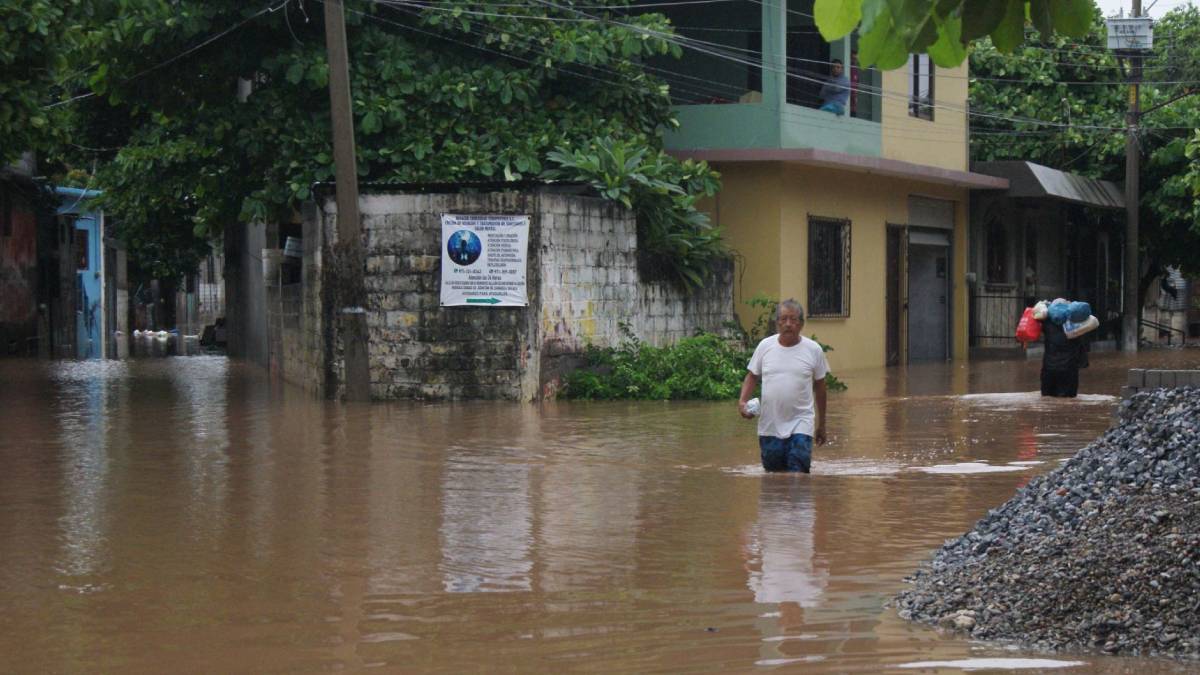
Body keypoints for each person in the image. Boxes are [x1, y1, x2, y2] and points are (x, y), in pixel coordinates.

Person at [738, 300, 829, 473]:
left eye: (793, 320)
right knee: (773, 477)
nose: (788, 324)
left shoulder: (813, 350)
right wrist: (742, 402)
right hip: (770, 425)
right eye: (784, 319)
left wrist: (822, 424)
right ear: (777, 323)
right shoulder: (765, 346)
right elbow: (752, 376)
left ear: (801, 324)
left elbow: (821, 387)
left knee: (799, 475)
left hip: (802, 422)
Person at [1040, 300, 1086, 398]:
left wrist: (1044, 304)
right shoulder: (1075, 322)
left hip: (1049, 369)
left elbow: (1036, 315)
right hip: (1069, 370)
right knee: (1068, 401)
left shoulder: (1047, 323)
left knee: (1047, 400)